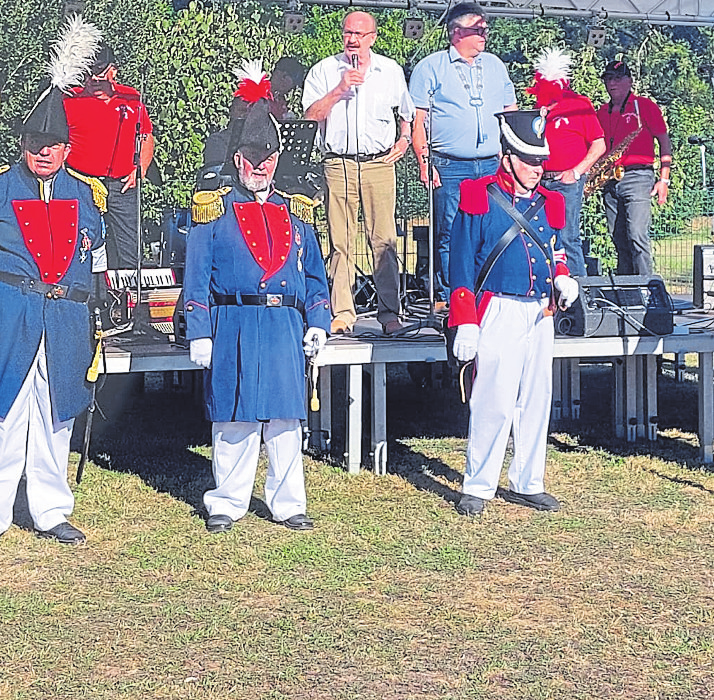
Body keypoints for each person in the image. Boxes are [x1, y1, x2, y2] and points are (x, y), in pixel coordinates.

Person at [183, 68, 331, 533]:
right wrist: (199, 332)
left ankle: (289, 504)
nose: (261, 164)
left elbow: (314, 277)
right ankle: (226, 502)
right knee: (236, 417)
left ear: (277, 157)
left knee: (287, 419)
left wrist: (318, 321)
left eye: (268, 155)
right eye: (252, 155)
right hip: (234, 321)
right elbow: (196, 279)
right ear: (238, 158)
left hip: (284, 324)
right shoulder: (213, 207)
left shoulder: (297, 209)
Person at [0, 18, 107, 544]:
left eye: (53, 144)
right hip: (12, 315)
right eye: (35, 143)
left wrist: (102, 307)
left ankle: (49, 509)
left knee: (53, 411)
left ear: (67, 149)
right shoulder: (1, 188)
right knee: (6, 411)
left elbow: (98, 255)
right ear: (23, 144)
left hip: (65, 318)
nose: (43, 152)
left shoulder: (87, 194)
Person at [448, 110, 579, 516]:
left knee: (536, 398)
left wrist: (562, 276)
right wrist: (465, 321)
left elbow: (554, 249)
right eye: (529, 159)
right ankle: (479, 484)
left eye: (541, 160)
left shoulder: (549, 203)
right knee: (494, 400)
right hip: (498, 308)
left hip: (540, 311)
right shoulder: (478, 195)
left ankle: (528, 480)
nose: (538, 168)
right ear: (507, 157)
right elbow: (461, 266)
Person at [302, 10, 415, 335]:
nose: (352, 39)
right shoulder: (324, 71)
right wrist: (338, 90)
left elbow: (408, 113)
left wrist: (405, 139)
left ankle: (390, 315)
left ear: (372, 38)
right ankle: (342, 314)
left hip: (379, 163)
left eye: (359, 34)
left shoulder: (389, 71)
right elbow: (310, 117)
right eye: (348, 33)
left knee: (384, 241)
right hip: (338, 163)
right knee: (341, 243)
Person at [409, 2, 517, 310]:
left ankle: (489, 291)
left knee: (494, 227)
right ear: (457, 33)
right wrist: (424, 162)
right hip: (449, 164)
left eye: (485, 29)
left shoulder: (495, 65)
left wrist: (513, 155)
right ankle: (452, 296)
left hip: (492, 163)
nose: (484, 35)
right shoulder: (431, 67)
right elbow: (418, 120)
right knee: (452, 231)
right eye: (477, 30)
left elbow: (510, 111)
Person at [63, 45, 154, 270]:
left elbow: (146, 136)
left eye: (100, 72)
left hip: (123, 183)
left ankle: (127, 297)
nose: (94, 78)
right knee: (80, 241)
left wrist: (140, 169)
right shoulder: (69, 100)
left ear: (113, 71)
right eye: (88, 71)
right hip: (81, 182)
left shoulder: (132, 98)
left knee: (129, 245)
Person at [529, 48, 606, 277]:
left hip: (566, 180)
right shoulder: (537, 109)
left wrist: (576, 172)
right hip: (540, 181)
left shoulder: (578, 104)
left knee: (568, 236)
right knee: (539, 234)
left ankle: (579, 290)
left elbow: (599, 144)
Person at [596, 59, 672, 275]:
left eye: (618, 78)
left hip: (638, 175)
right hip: (610, 177)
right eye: (609, 79)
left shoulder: (645, 106)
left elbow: (664, 141)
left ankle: (647, 288)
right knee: (617, 236)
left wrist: (664, 179)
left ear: (629, 81)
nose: (612, 83)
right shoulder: (602, 112)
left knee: (637, 234)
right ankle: (628, 291)